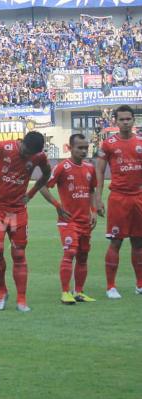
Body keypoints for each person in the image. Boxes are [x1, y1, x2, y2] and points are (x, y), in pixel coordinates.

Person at [0, 131, 51, 312]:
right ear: (21, 141)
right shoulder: (3, 147)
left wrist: (30, 194)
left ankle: (21, 299)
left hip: (18, 210)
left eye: (30, 154)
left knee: (19, 254)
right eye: (25, 150)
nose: (26, 155)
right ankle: (2, 291)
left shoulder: (39, 156)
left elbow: (47, 174)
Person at [39, 134, 97, 304]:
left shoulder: (89, 168)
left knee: (83, 256)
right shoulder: (62, 167)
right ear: (70, 148)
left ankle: (78, 292)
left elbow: (91, 191)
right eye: (80, 147)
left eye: (86, 147)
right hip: (68, 220)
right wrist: (58, 205)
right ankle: (65, 292)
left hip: (85, 221)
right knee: (70, 252)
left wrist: (93, 211)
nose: (83, 151)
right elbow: (42, 186)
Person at [94, 105, 142, 299]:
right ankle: (111, 286)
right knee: (116, 241)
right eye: (121, 119)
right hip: (118, 198)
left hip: (138, 197)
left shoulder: (140, 142)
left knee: (138, 242)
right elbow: (99, 170)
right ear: (115, 121)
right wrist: (98, 197)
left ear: (133, 120)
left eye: (128, 119)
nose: (125, 122)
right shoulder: (108, 144)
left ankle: (140, 284)